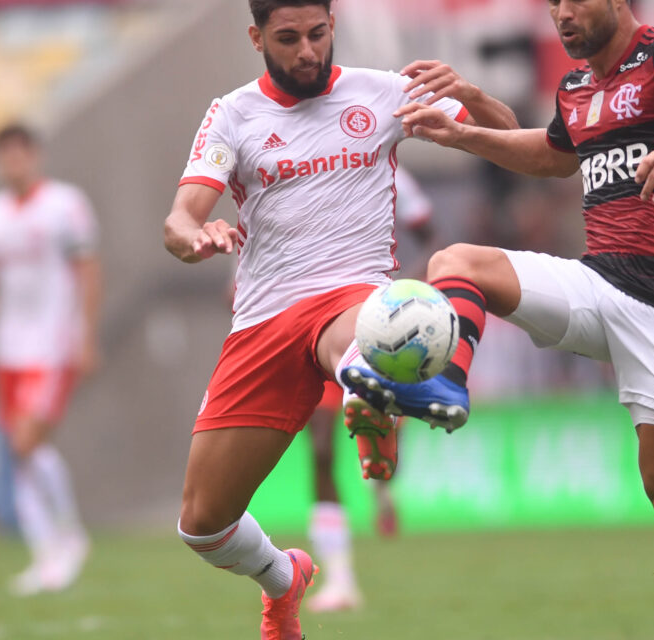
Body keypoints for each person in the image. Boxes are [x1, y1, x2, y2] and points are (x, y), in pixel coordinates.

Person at [343, 1, 654, 638]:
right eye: (552, 4)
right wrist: (466, 133)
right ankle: (441, 383)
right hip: (599, 281)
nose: (562, 14)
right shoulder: (577, 86)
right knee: (458, 261)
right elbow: (555, 154)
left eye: (574, 0)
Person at [163, 1, 517, 637]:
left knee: (364, 340)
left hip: (352, 297)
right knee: (203, 525)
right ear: (256, 36)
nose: (307, 51)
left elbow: (508, 134)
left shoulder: (382, 93)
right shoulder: (233, 113)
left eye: (318, 34)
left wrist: (469, 94)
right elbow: (180, 218)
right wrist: (196, 234)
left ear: (333, 27)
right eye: (289, 38)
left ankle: (379, 393)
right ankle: (284, 578)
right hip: (263, 321)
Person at [0, 123, 102, 596]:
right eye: (5, 155)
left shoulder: (66, 205)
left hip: (53, 343)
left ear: (34, 155)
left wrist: (86, 334)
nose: (14, 163)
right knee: (20, 456)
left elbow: (89, 271)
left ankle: (71, 537)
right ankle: (46, 555)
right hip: (9, 348)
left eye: (21, 153)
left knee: (25, 442)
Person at [304, 165, 433, 613]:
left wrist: (406, 292)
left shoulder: (393, 175)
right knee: (321, 451)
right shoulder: (292, 168)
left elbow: (431, 237)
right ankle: (340, 580)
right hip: (310, 323)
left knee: (379, 446)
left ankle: (383, 489)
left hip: (376, 324)